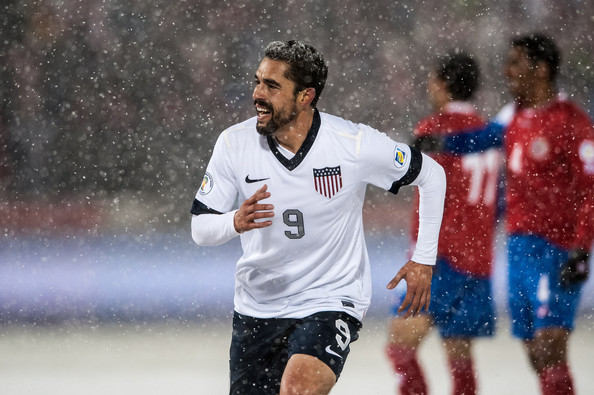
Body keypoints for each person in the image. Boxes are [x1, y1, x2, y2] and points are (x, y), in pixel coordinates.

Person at [190, 40, 446, 395]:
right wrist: (234, 221)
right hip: (258, 305)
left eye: (272, 86)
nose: (257, 95)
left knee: (299, 387)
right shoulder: (234, 144)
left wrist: (423, 258)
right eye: (257, 81)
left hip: (330, 299)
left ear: (305, 96)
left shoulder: (351, 144)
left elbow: (431, 175)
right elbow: (201, 229)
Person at [441, 33, 593, 395]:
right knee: (535, 352)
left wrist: (582, 248)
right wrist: (434, 144)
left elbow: (591, 191)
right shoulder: (513, 117)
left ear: (540, 70)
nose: (507, 70)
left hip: (558, 249)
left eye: (515, 63)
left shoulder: (573, 123)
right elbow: (477, 140)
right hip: (519, 249)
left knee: (550, 345)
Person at [385, 52, 498, 395]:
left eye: (433, 80)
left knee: (399, 348)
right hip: (479, 259)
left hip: (440, 258)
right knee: (460, 358)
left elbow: (403, 176)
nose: (429, 87)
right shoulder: (489, 133)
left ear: (445, 85)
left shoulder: (432, 130)